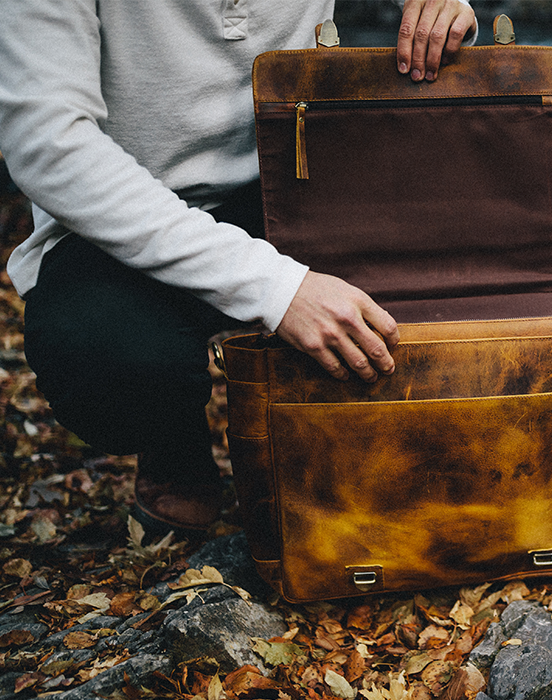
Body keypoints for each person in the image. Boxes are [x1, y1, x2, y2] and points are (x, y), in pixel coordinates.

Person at [0, 0, 477, 539]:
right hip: (123, 211)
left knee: (459, 248)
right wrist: (277, 288)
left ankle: (332, 437)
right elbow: (47, 143)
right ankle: (173, 439)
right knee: (105, 357)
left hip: (297, 173)